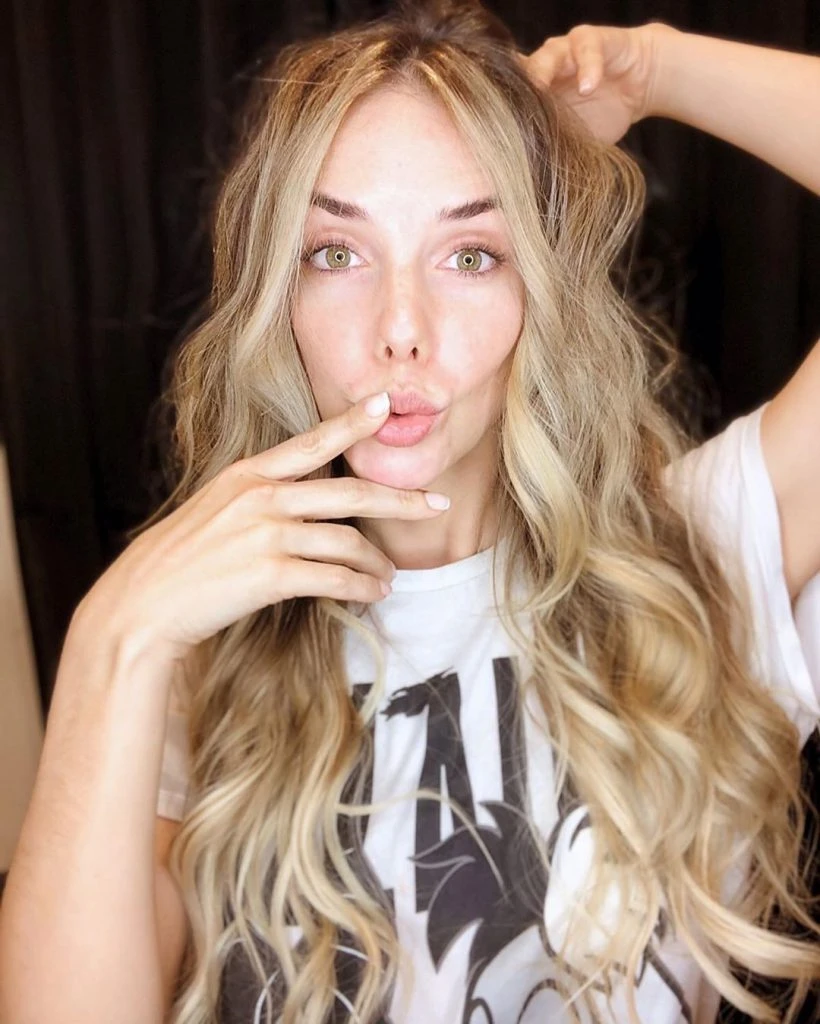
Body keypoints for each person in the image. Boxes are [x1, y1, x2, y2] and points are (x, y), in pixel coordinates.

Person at [1, 2, 819, 1022]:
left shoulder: (706, 549)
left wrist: (655, 71)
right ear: (278, 296)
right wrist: (111, 638)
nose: (400, 329)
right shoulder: (199, 665)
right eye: (335, 253)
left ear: (542, 289)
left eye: (469, 253)